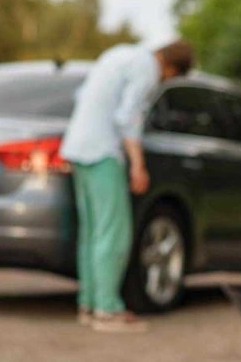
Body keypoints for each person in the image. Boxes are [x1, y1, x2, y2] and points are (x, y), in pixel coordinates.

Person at [60, 41, 194, 333]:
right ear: (171, 68)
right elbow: (128, 118)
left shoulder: (118, 54)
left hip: (77, 147)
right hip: (103, 151)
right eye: (170, 77)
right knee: (114, 232)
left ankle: (89, 304)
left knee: (93, 233)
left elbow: (81, 95)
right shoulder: (146, 69)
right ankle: (107, 310)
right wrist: (137, 164)